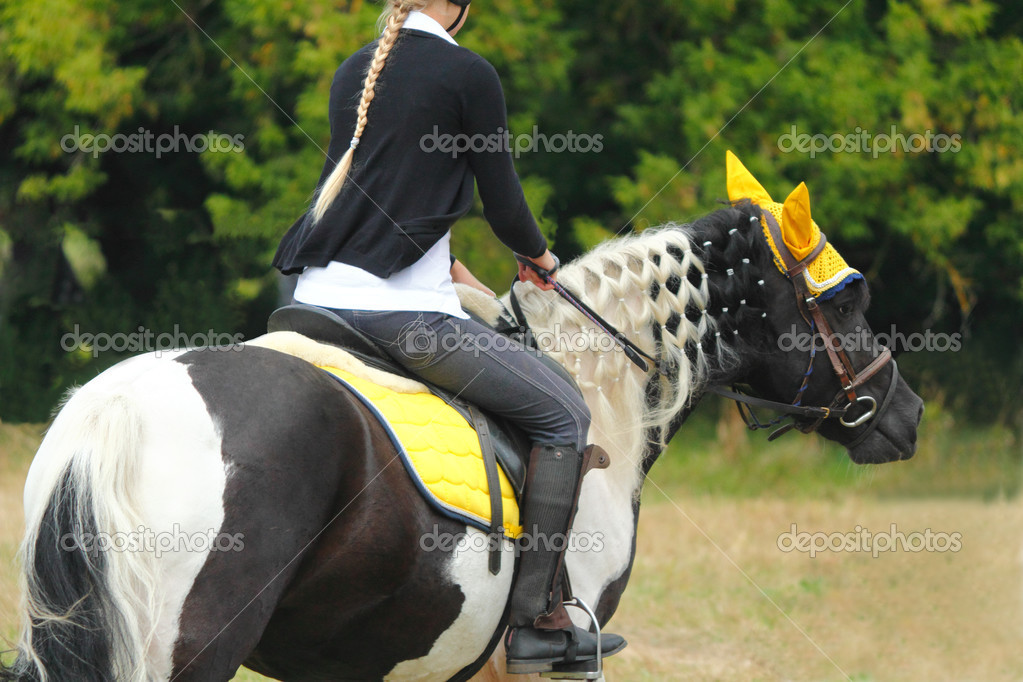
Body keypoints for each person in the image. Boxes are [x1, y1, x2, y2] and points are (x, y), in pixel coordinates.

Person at [271, 0, 625, 672]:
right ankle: (535, 624)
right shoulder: (466, 74)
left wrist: (451, 267)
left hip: (315, 302)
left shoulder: (354, 71)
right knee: (561, 415)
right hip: (397, 317)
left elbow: (388, 197)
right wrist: (539, 257)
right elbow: (504, 202)